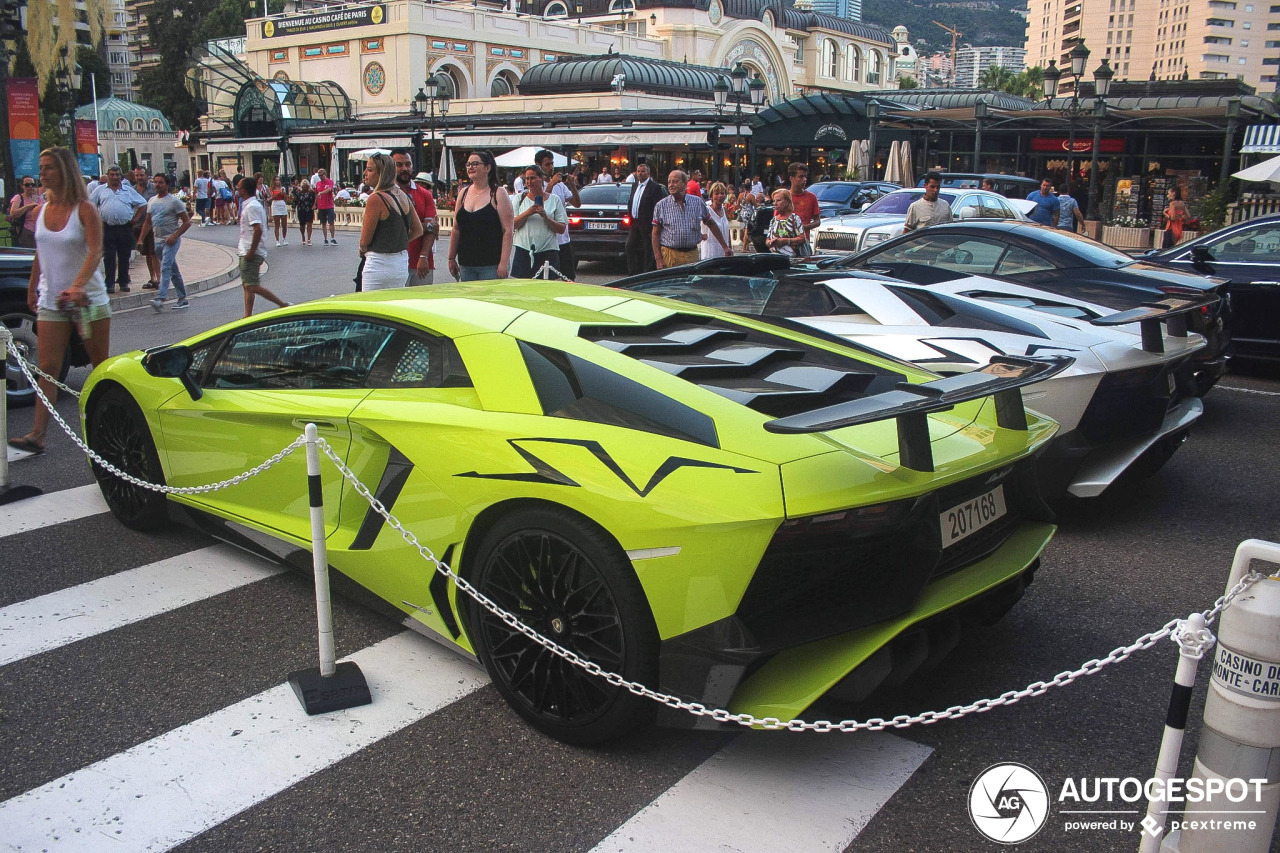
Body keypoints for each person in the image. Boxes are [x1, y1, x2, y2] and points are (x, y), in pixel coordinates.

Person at [7, 148, 111, 456]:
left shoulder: (85, 209)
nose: (43, 173)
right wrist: (31, 289)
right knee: (48, 368)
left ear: (64, 170)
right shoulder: (40, 210)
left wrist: (78, 287)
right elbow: (41, 253)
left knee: (100, 370)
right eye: (41, 167)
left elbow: (96, 251)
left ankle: (108, 429)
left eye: (49, 167)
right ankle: (37, 435)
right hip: (52, 300)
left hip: (87, 301)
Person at [356, 153, 423, 290]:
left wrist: (362, 250)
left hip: (378, 263)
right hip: (400, 263)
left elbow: (365, 241)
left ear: (381, 173)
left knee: (371, 307)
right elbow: (418, 230)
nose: (365, 173)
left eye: (369, 169)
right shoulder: (403, 196)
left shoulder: (376, 199)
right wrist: (398, 240)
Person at [448, 150, 513, 281]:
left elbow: (508, 230)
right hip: (466, 264)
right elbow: (456, 228)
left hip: (491, 264)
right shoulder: (463, 193)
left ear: (488, 167)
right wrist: (451, 257)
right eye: (468, 164)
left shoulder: (498, 193)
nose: (470, 167)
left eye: (475, 164)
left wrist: (503, 263)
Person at [652, 169, 730, 269]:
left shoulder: (697, 202)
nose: (671, 185)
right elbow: (655, 233)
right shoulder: (661, 205)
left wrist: (725, 247)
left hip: (692, 255)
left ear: (685, 184)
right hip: (670, 255)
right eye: (669, 182)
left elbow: (711, 224)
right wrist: (658, 259)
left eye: (675, 181)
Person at [138, 172, 192, 311]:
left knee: (165, 267)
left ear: (167, 185)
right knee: (173, 270)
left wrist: (175, 235)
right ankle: (183, 298)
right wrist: (141, 239)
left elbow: (187, 222)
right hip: (158, 241)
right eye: (155, 182)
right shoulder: (152, 201)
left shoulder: (174, 202)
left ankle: (160, 298)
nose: (157, 185)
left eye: (161, 182)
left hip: (171, 240)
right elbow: (148, 222)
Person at [89, 165, 147, 293]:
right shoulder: (100, 190)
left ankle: (123, 282)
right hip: (107, 227)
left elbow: (142, 204)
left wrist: (135, 219)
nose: (115, 177)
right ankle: (109, 283)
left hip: (124, 228)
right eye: (112, 175)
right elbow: (89, 205)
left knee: (124, 256)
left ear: (121, 176)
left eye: (117, 175)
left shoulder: (128, 190)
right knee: (109, 256)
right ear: (108, 175)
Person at [237, 176, 289, 317]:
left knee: (251, 285)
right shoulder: (249, 205)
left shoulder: (252, 206)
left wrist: (251, 251)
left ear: (244, 190)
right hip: (246, 249)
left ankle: (281, 304)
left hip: (250, 251)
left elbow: (258, 229)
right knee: (247, 285)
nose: (237, 189)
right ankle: (247, 315)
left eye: (239, 187)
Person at [511, 166, 568, 278]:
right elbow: (513, 225)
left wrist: (545, 217)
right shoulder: (519, 198)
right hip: (524, 251)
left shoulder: (554, 199)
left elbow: (561, 229)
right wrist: (528, 213)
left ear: (541, 178)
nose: (529, 182)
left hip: (548, 251)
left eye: (533, 178)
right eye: (527, 179)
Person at [390, 151, 438, 285]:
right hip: (394, 263)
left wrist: (423, 256)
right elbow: (395, 230)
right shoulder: (386, 195)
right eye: (399, 165)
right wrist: (425, 226)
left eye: (408, 164)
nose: (404, 168)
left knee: (422, 303)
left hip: (421, 263)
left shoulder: (424, 195)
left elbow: (433, 229)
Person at [535, 148, 581, 279]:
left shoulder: (560, 185)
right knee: (549, 278)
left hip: (563, 239)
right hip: (547, 241)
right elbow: (541, 201)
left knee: (569, 277)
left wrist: (572, 185)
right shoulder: (538, 185)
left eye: (552, 163)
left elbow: (577, 204)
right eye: (547, 164)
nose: (551, 167)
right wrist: (551, 184)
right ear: (539, 165)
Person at [625, 161, 667, 275]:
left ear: (648, 173)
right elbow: (632, 201)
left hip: (648, 223)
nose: (640, 174)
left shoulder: (655, 187)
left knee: (648, 249)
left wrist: (654, 223)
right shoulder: (635, 185)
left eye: (643, 171)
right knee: (629, 246)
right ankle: (632, 272)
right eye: (638, 171)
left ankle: (647, 272)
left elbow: (657, 206)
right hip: (635, 223)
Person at [765, 189, 808, 256]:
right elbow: (767, 240)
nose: (775, 203)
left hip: (792, 259)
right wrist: (771, 242)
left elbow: (802, 238)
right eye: (774, 201)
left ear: (787, 202)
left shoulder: (794, 218)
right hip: (775, 258)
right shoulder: (773, 220)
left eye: (778, 200)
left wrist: (785, 241)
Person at [8, 175, 44, 249]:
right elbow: (13, 213)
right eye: (27, 185)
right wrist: (28, 206)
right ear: (22, 186)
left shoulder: (38, 198)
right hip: (27, 231)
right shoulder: (18, 198)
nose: (30, 187)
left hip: (40, 231)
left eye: (32, 185)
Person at [788, 162, 821, 240]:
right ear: (792, 178)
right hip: (786, 242)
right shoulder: (784, 196)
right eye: (801, 177)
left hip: (804, 240)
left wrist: (803, 227)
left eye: (805, 176)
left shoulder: (811, 197)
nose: (804, 179)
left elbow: (817, 221)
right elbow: (776, 220)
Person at [700, 181, 732, 261]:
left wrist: (730, 247)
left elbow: (727, 231)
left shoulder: (724, 209)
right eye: (717, 193)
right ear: (711, 196)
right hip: (709, 253)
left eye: (722, 193)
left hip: (724, 252)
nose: (720, 196)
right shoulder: (706, 210)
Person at [314, 168, 337, 244]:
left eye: (321, 175)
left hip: (329, 205)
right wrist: (315, 204)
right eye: (319, 176)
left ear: (325, 175)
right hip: (321, 206)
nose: (320, 177)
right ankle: (325, 238)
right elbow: (316, 194)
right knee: (323, 223)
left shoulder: (329, 182)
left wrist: (321, 193)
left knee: (331, 222)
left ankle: (333, 238)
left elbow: (329, 189)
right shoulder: (318, 184)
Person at [736, 183, 760, 254]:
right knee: (747, 229)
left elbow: (738, 204)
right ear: (750, 188)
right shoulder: (751, 196)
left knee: (745, 229)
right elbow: (755, 206)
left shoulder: (740, 195)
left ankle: (747, 247)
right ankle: (744, 247)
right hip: (748, 213)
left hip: (742, 213)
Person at [267, 176, 290, 246]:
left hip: (282, 204)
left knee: (284, 224)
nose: (277, 182)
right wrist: (278, 193)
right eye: (276, 180)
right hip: (275, 204)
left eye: (278, 180)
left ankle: (284, 238)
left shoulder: (282, 188)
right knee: (277, 224)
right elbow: (271, 197)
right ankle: (277, 240)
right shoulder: (271, 189)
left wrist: (284, 194)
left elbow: (286, 198)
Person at [293, 178, 316, 246]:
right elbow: (295, 201)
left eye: (307, 186)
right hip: (301, 210)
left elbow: (315, 200)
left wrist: (314, 206)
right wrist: (293, 207)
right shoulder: (298, 193)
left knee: (309, 224)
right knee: (302, 225)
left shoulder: (311, 192)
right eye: (304, 187)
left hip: (309, 209)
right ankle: (303, 236)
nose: (306, 188)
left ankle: (309, 238)